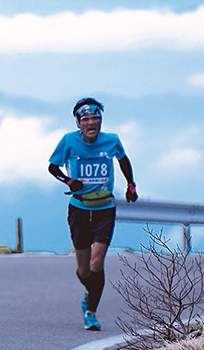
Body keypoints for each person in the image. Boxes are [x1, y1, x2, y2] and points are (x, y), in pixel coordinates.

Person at [48, 97, 138, 331]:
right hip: (79, 209)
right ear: (78, 123)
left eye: (95, 118)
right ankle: (90, 290)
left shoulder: (112, 140)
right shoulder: (69, 141)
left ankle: (91, 312)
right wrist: (69, 180)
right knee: (83, 269)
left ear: (101, 120)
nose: (91, 123)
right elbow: (52, 167)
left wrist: (131, 185)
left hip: (104, 209)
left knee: (97, 262)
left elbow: (123, 160)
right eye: (85, 119)